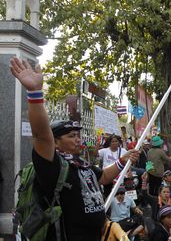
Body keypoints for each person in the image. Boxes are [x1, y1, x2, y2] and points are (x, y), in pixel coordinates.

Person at [9, 57, 139, 240]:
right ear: (55, 142)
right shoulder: (53, 167)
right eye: (71, 136)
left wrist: (121, 161)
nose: (78, 140)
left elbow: (102, 177)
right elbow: (41, 135)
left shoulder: (81, 164)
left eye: (78, 135)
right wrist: (35, 93)